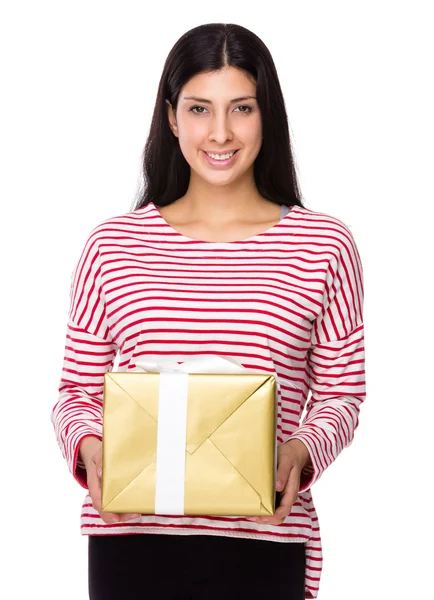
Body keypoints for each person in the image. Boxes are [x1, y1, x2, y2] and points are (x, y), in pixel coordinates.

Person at [51, 22, 366, 600]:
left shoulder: (323, 245)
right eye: (199, 108)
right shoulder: (113, 245)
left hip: (264, 543)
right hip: (131, 542)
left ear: (266, 114)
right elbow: (76, 392)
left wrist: (300, 453)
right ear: (172, 117)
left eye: (241, 108)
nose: (220, 132)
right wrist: (89, 448)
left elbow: (342, 394)